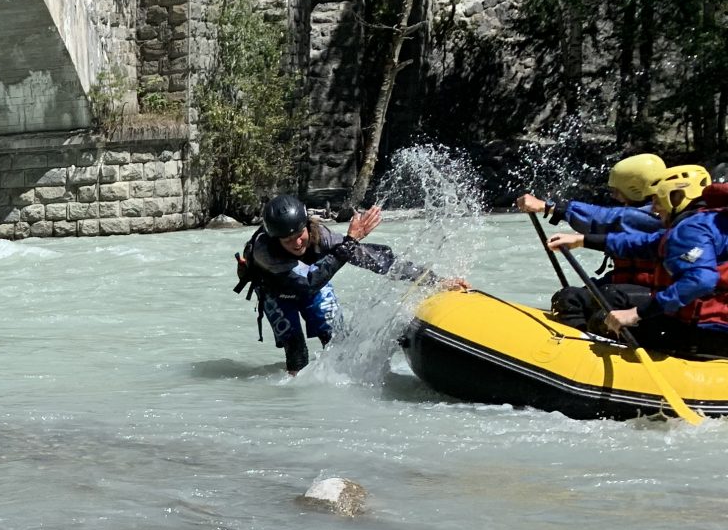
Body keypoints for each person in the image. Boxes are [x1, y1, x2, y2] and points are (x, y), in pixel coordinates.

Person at [233, 194, 468, 374]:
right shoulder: (266, 251)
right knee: (296, 350)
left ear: (307, 225)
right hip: (278, 293)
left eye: (300, 234)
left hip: (314, 284)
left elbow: (378, 261)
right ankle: (297, 407)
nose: (297, 243)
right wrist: (350, 241)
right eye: (288, 240)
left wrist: (434, 280)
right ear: (276, 239)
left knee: (337, 343)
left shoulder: (321, 235)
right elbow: (307, 284)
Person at [546, 165, 728, 358]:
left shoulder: (693, 227)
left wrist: (637, 314)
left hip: (706, 333)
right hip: (710, 328)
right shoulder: (711, 221)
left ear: (677, 197)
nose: (655, 209)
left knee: (603, 320)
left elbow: (701, 280)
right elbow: (647, 243)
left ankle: (577, 364)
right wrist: (583, 240)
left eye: (658, 201)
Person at [514, 155, 665, 292]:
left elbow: (610, 219)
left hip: (647, 291)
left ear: (635, 189)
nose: (613, 195)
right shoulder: (652, 210)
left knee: (574, 300)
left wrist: (548, 207)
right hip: (630, 283)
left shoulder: (655, 216)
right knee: (570, 296)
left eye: (617, 191)